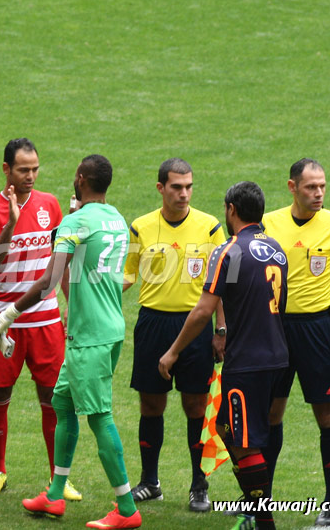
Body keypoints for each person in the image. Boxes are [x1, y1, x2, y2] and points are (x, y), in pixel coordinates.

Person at [0, 155, 142, 529]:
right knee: (62, 403)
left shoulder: (75, 222)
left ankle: (126, 510)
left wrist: (7, 315)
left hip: (89, 336)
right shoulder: (116, 218)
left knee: (100, 417)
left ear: (79, 178)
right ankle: (55, 495)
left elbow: (48, 281)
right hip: (106, 327)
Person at [159, 181, 289, 530]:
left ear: (231, 209)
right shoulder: (277, 249)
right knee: (227, 430)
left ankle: (262, 521)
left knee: (243, 443)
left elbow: (203, 310)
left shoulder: (228, 251)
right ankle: (256, 511)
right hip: (277, 356)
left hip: (247, 362)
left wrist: (172, 353)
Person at [262, 158, 330, 526]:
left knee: (327, 414)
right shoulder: (268, 224)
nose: (318, 193)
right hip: (274, 327)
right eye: (310, 187)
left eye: (322, 186)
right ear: (292, 187)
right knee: (271, 414)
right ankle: (262, 498)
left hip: (317, 330)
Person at [0, 138, 78, 499]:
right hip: (5, 321)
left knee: (53, 398)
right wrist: (11, 225)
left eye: (35, 169)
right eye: (23, 170)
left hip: (46, 319)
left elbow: (59, 260)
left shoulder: (50, 204)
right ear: (6, 170)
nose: (31, 175)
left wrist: (70, 304)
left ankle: (57, 479)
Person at [123, 158, 225, 511]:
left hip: (195, 325)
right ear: (161, 188)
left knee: (195, 404)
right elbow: (127, 276)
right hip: (152, 324)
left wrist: (221, 331)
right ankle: (150, 482)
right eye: (177, 187)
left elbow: (222, 284)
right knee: (151, 404)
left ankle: (200, 485)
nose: (184, 194)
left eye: (189, 186)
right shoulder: (140, 227)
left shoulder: (210, 228)